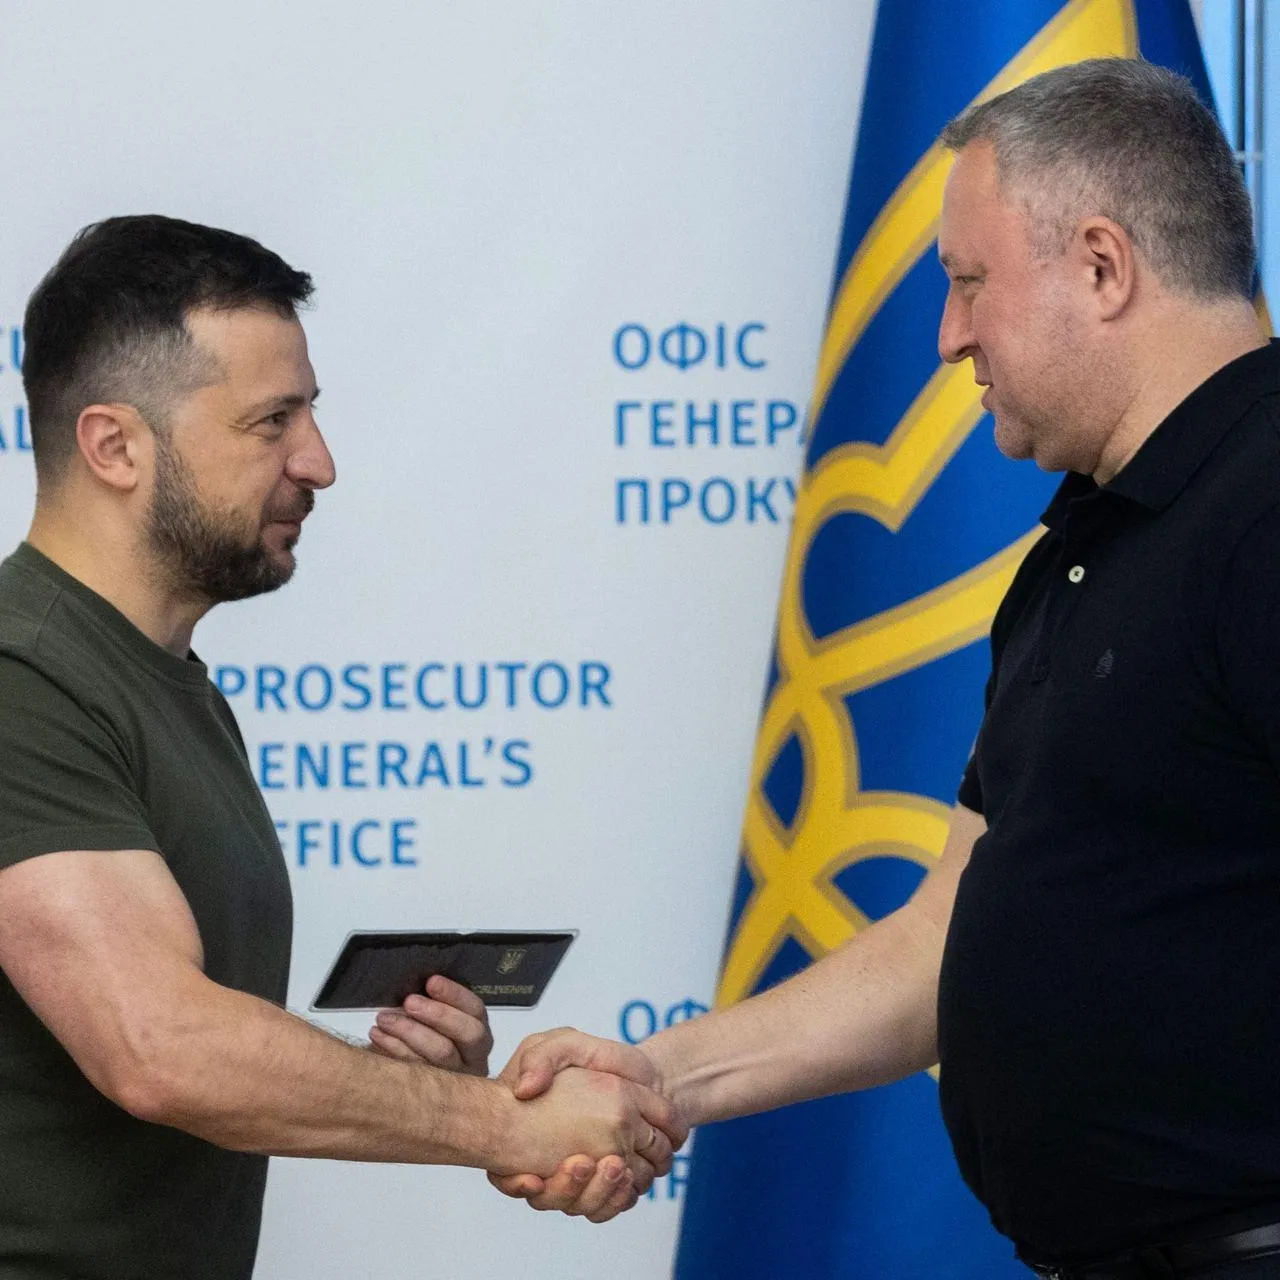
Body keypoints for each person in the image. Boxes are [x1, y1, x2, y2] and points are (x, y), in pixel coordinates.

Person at [388, 58, 1280, 1275]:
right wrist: (657, 1077)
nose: (947, 335)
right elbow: (940, 939)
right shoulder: (1079, 549)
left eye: (969, 281)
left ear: (1100, 266)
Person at [0, 215, 681, 1280]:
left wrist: (419, 1080)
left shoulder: (162, 683)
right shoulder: (21, 677)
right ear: (114, 446)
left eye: (309, 412)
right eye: (271, 421)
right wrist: (498, 1122)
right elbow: (160, 1046)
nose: (317, 462)